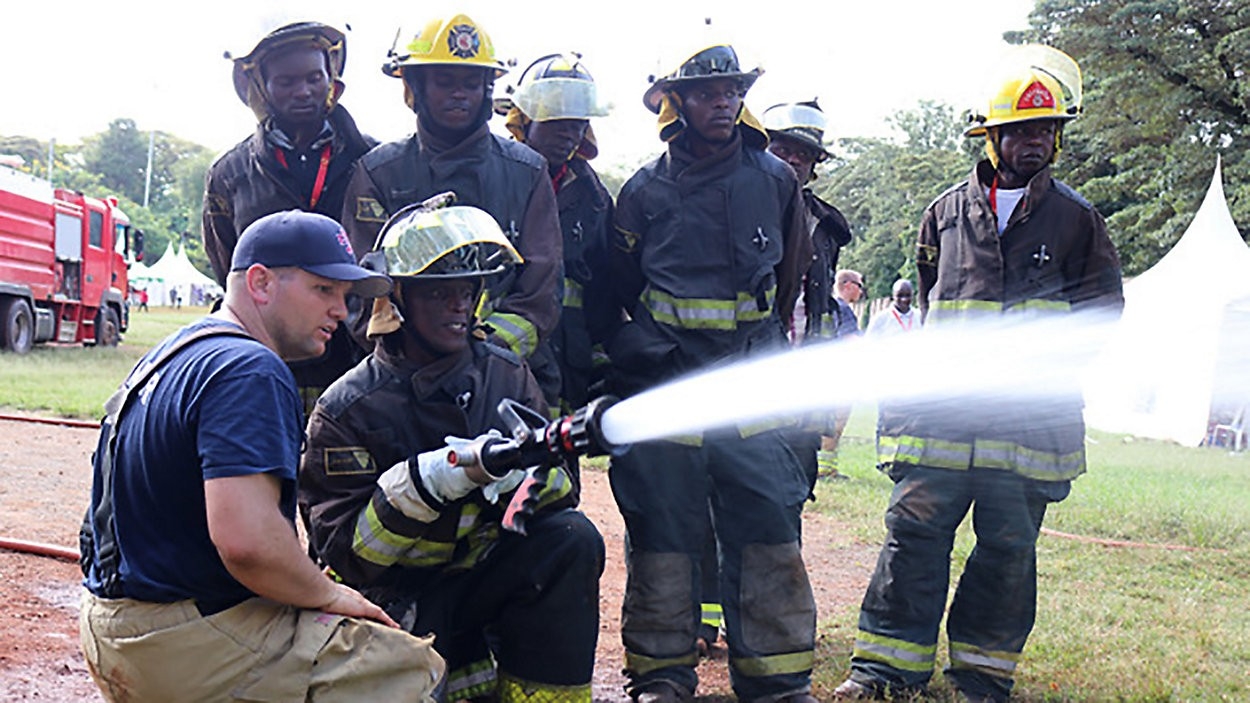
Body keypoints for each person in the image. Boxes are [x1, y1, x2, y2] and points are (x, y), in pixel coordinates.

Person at [835, 46, 1122, 702]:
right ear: (989, 137)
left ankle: (982, 676)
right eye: (1019, 130)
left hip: (1024, 428)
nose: (1034, 142)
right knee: (911, 536)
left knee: (1007, 551)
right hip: (941, 419)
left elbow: (1100, 314)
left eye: (1046, 130)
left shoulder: (1077, 221)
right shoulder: (944, 213)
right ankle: (883, 668)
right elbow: (935, 297)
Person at [79, 210, 444, 702]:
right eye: (323, 290)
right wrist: (332, 595)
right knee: (405, 667)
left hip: (114, 624)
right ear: (261, 282)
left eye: (344, 296)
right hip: (180, 644)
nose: (342, 310)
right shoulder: (250, 369)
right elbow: (247, 543)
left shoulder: (179, 350)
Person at [300, 200, 604, 702]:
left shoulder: (504, 373)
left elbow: (561, 489)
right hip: (391, 599)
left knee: (571, 538)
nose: (459, 306)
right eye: (440, 293)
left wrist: (519, 477)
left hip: (482, 574)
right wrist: (427, 484)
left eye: (466, 292)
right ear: (396, 298)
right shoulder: (350, 408)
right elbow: (352, 558)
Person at [600, 43, 817, 703]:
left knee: (766, 526)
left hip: (750, 384)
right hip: (670, 381)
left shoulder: (776, 180)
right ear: (678, 105)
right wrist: (646, 350)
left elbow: (788, 280)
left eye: (731, 91)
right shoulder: (643, 191)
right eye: (706, 93)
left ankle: (776, 678)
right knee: (663, 526)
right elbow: (617, 284)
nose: (722, 102)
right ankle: (662, 673)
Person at [341, 13, 563, 409]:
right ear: (415, 87)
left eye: (471, 83)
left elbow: (540, 294)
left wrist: (484, 355)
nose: (460, 94)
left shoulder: (527, 171)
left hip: (508, 383)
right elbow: (362, 291)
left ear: (487, 88)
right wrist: (415, 357)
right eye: (445, 81)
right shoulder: (378, 173)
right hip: (402, 390)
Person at [203, 21, 378, 415]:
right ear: (260, 87)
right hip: (266, 364)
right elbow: (229, 271)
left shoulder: (376, 163)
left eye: (314, 78)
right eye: (286, 81)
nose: (303, 91)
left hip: (358, 362)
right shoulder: (229, 175)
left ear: (331, 77)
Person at [500, 52, 615, 414]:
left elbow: (604, 291)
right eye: (557, 119)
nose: (568, 131)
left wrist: (602, 359)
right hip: (501, 360)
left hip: (569, 361)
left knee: (558, 461)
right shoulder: (495, 179)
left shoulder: (592, 198)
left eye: (577, 122)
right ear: (526, 118)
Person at [763, 99, 855, 490]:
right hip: (746, 381)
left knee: (790, 496)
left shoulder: (826, 226)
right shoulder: (731, 206)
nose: (793, 160)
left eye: (804, 154)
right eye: (782, 149)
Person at [812, 268, 866, 480]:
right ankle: (825, 470)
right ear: (848, 285)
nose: (861, 292)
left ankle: (825, 468)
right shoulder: (843, 309)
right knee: (835, 423)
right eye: (860, 286)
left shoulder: (832, 306)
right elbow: (850, 342)